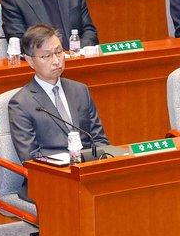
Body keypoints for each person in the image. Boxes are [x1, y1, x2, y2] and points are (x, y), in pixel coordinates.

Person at [7, 23, 109, 186]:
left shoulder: (80, 90)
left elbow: (99, 140)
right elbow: (30, 157)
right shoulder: (21, 103)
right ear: (30, 61)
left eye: (59, 52)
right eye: (47, 56)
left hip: (87, 174)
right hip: (50, 181)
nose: (56, 61)